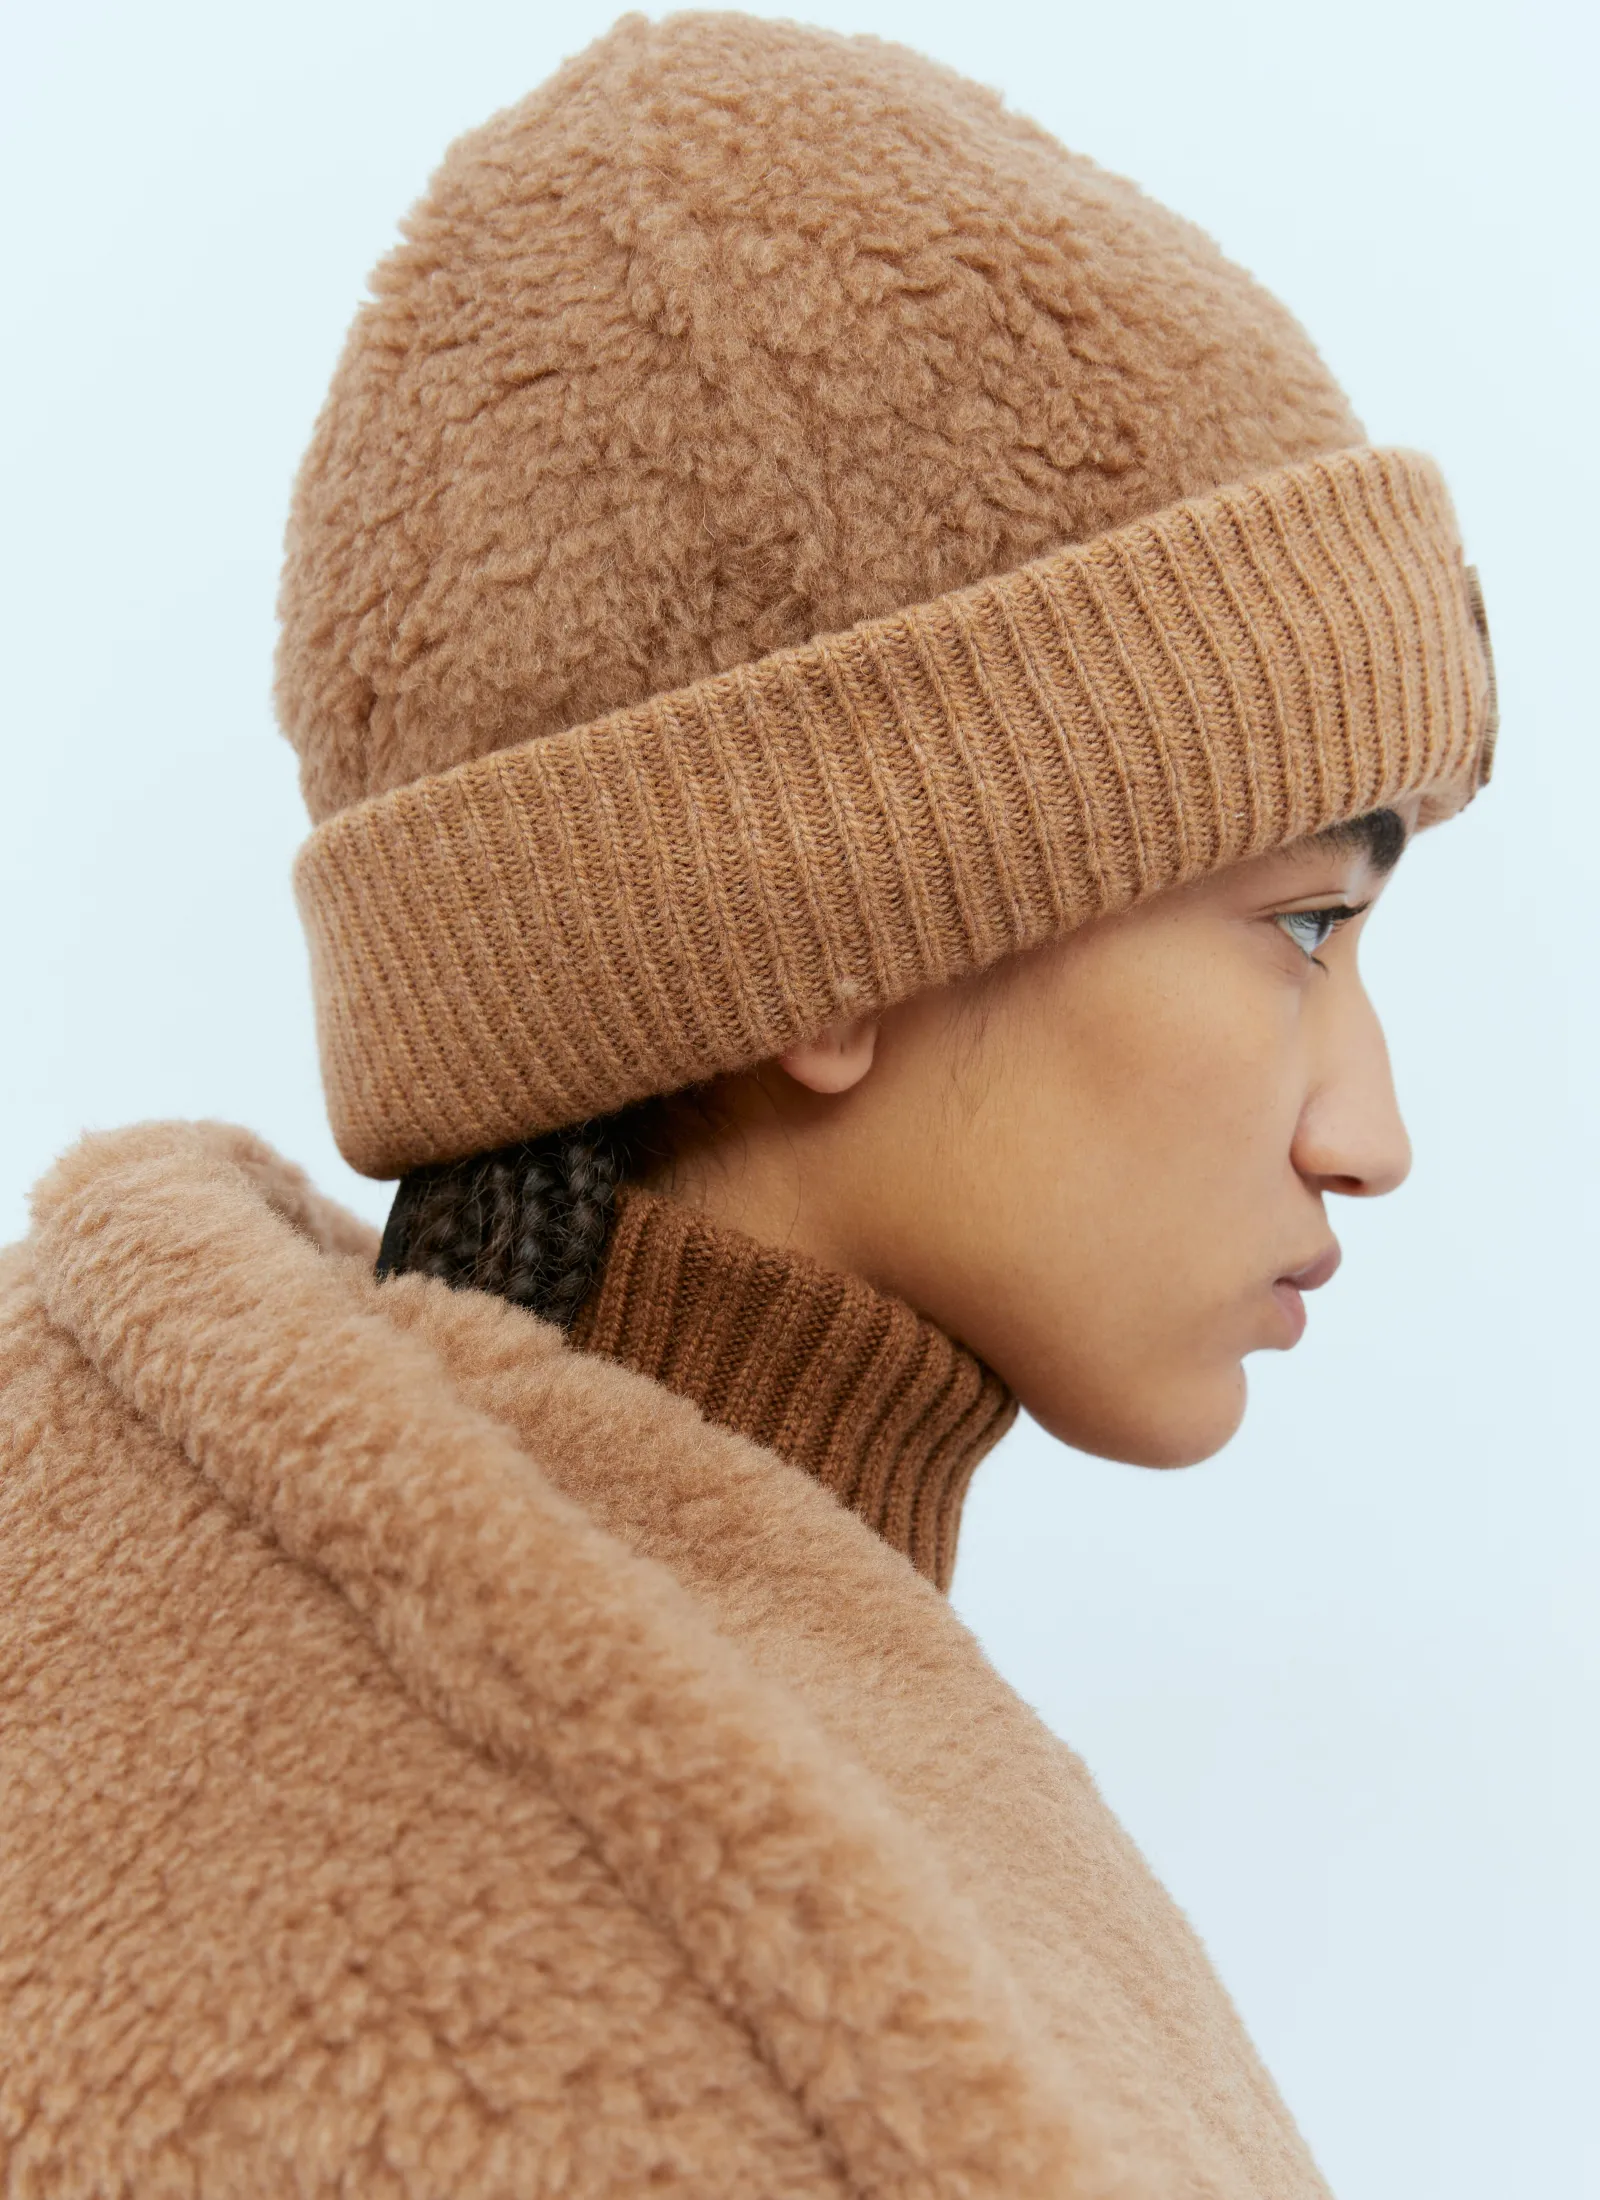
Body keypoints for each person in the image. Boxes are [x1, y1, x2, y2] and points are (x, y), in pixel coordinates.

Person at [0, 12, 1496, 2195]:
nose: (1368, 1129)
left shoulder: (217, 1676)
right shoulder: (654, 2040)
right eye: (1298, 924)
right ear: (826, 936)